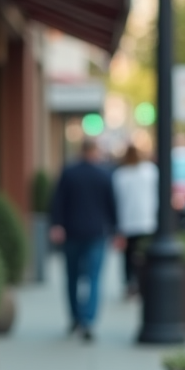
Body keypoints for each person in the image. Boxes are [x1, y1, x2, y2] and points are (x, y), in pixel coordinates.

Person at [49, 138, 118, 340]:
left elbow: (57, 201)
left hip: (72, 233)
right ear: (95, 151)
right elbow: (112, 205)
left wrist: (57, 225)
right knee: (94, 278)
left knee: (72, 277)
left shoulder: (69, 173)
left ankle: (75, 317)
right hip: (96, 233)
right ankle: (88, 320)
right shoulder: (104, 174)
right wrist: (116, 229)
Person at [111, 144, 158, 298]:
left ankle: (130, 284)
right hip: (147, 220)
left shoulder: (121, 174)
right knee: (144, 255)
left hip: (127, 222)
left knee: (128, 257)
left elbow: (116, 200)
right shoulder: (150, 171)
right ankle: (142, 283)